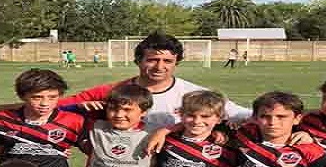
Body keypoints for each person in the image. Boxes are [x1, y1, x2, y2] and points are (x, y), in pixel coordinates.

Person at [59, 32, 252, 130]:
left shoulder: (195, 95)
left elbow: (242, 114)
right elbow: (54, 107)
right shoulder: (114, 90)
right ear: (138, 61)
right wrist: (80, 109)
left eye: (168, 61)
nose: (160, 67)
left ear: (177, 63)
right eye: (152, 60)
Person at [0, 69, 85, 167]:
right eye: (37, 97)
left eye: (52, 97)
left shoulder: (73, 121)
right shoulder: (2, 119)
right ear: (22, 96)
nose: (45, 103)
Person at [77, 83, 155, 167]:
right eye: (113, 109)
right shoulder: (94, 126)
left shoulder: (154, 133)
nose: (119, 114)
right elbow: (57, 110)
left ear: (144, 112)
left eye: (127, 109)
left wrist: (166, 130)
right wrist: (80, 107)